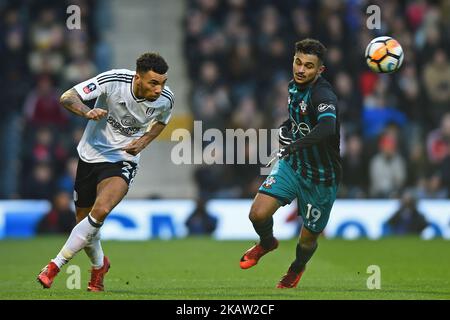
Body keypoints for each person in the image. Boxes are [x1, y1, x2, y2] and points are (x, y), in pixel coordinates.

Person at [37, 52, 174, 291]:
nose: (158, 89)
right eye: (153, 83)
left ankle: (54, 266)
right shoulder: (114, 81)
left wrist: (143, 142)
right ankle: (100, 266)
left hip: (123, 159)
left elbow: (162, 121)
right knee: (85, 221)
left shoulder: (166, 99)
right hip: (90, 155)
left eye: (162, 83)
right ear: (138, 77)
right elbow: (67, 97)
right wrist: (87, 112)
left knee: (100, 211)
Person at [239, 39, 341, 289]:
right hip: (293, 165)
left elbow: (328, 127)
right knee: (257, 213)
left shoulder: (322, 94)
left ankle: (297, 267)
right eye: (298, 62)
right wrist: (287, 129)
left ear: (320, 70)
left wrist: (295, 144)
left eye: (308, 66)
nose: (301, 69)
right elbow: (297, 119)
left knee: (307, 239)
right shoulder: (294, 87)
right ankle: (266, 242)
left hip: (321, 177)